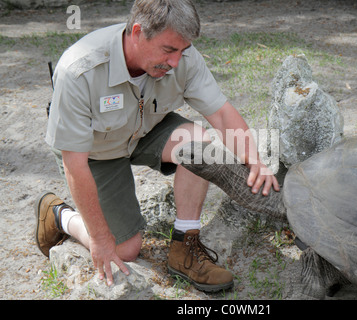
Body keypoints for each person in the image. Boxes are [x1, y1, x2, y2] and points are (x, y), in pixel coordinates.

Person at [35, 0, 279, 292]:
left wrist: (254, 160)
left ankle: (184, 246)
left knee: (199, 144)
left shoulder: (182, 57)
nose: (176, 61)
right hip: (95, 152)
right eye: (168, 50)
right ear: (138, 32)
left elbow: (222, 113)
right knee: (124, 250)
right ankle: (58, 215)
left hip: (146, 131)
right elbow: (75, 165)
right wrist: (100, 239)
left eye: (182, 51)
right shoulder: (80, 70)